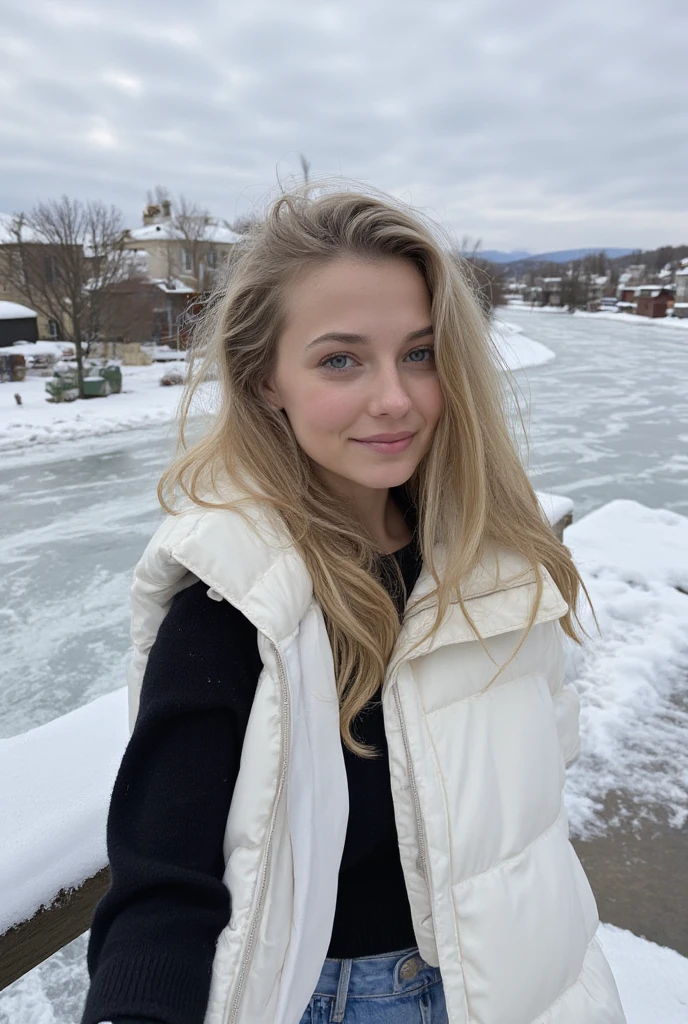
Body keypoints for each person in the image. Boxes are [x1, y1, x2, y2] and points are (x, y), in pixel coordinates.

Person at [81, 183, 626, 1024]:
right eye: (341, 359)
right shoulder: (234, 607)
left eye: (419, 352)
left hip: (527, 976)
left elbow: (536, 784)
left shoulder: (493, 557)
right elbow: (162, 886)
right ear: (266, 380)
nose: (396, 399)